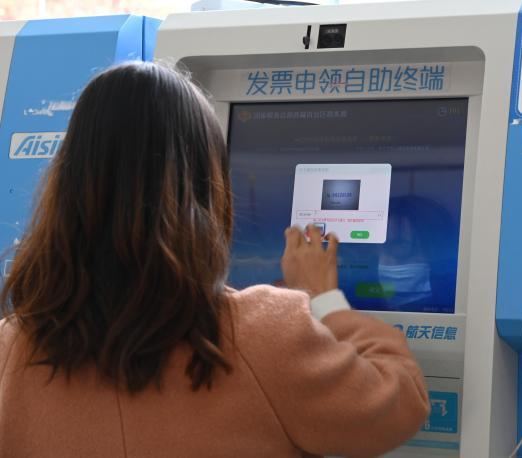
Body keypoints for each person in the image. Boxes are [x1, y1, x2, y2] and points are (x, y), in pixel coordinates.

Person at [0, 62, 429, 457]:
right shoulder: (260, 336)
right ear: (204, 189)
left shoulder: (12, 349)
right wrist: (324, 298)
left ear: (68, 187)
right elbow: (400, 401)